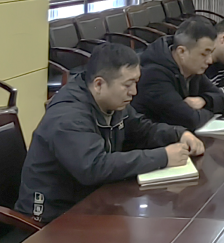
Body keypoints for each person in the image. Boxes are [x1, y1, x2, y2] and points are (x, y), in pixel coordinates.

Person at [16, 43, 204, 223]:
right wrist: (163, 157)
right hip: (52, 217)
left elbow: (141, 128)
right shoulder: (69, 116)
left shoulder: (112, 101)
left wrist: (178, 134)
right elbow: (93, 166)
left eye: (136, 82)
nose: (134, 91)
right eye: (128, 84)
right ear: (99, 84)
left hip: (90, 202)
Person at [132, 18, 224, 131]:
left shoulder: (192, 69)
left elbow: (222, 99)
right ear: (181, 52)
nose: (209, 60)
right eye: (204, 54)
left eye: (211, 53)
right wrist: (211, 112)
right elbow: (190, 120)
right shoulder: (154, 75)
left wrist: (204, 100)